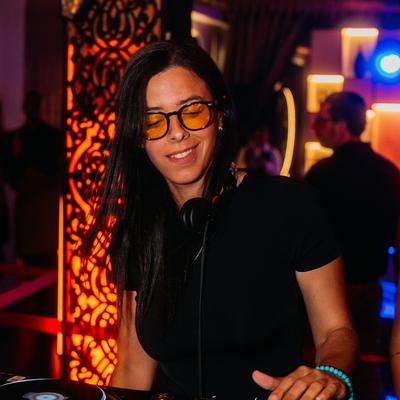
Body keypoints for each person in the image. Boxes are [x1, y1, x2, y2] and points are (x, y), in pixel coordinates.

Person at [83, 41, 358, 399]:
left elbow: (336, 331)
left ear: (220, 114)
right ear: (138, 137)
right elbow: (133, 368)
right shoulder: (139, 228)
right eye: (154, 120)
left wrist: (329, 374)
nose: (176, 132)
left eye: (193, 111)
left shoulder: (289, 205)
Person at [305, 91, 400, 399]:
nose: (315, 126)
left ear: (341, 125)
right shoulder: (388, 172)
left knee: (323, 369)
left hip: (323, 290)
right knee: (367, 365)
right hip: (370, 289)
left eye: (322, 119)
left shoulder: (321, 175)